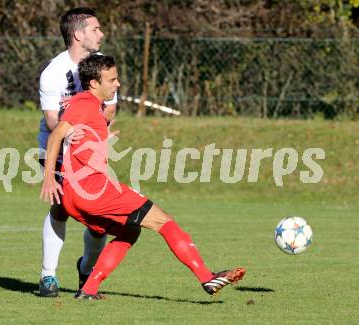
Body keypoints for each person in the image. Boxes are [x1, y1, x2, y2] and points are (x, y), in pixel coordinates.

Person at [40, 54, 246, 300]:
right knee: (164, 221)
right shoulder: (84, 104)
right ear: (94, 83)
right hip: (93, 190)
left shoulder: (89, 106)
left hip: (75, 195)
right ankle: (206, 277)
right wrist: (49, 178)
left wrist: (100, 140)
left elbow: (75, 141)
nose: (117, 84)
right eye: (112, 80)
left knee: (129, 232)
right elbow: (55, 136)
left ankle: (88, 289)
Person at [38, 7, 117, 297]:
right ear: (78, 34)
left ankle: (86, 271)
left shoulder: (102, 65)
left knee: (98, 220)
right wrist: (76, 133)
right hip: (58, 152)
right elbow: (50, 121)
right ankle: (48, 277)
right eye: (95, 29)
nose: (101, 34)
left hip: (91, 153)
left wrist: (95, 132)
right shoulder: (53, 72)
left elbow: (110, 107)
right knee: (60, 208)